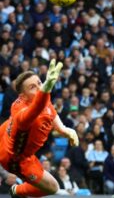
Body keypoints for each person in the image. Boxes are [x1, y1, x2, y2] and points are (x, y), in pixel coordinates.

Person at [0, 59, 79, 197]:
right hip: (15, 158)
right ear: (22, 96)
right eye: (32, 87)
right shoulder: (22, 113)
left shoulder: (42, 97)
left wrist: (63, 128)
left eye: (39, 83)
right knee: (53, 187)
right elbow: (37, 107)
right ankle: (16, 190)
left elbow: (48, 107)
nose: (38, 88)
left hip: (5, 132)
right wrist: (46, 87)